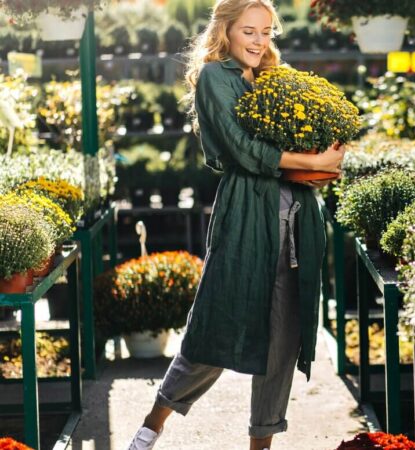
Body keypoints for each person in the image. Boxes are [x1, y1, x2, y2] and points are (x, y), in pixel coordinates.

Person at [126, 1, 345, 449]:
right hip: (246, 215)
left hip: (298, 219)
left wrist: (326, 153)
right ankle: (154, 421)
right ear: (225, 31)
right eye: (249, 31)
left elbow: (301, 136)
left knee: (283, 339)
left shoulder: (274, 78)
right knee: (218, 325)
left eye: (266, 32)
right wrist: (311, 160)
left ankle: (261, 443)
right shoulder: (214, 78)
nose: (259, 41)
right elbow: (242, 151)